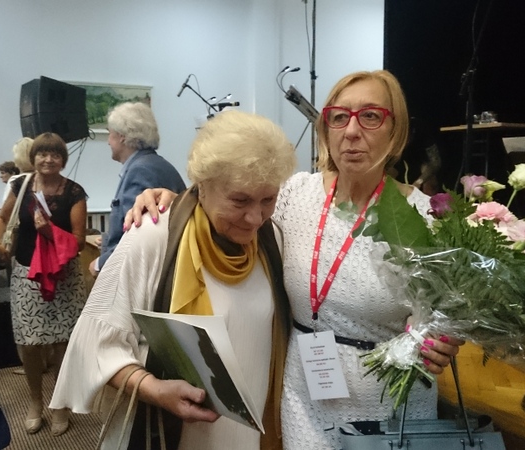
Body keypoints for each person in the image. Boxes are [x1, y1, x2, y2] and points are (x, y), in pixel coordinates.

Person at [124, 71, 464, 449]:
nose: (352, 131)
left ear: (395, 130)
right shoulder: (294, 194)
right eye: (339, 117)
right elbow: (232, 194)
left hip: (390, 403)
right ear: (326, 129)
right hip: (305, 395)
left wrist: (444, 338)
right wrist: (176, 201)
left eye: (370, 116)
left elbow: (447, 313)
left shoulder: (427, 218)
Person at [50, 110, 296, 450]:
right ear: (203, 185)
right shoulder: (154, 236)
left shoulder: (272, 240)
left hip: (252, 432)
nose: (255, 217)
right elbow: (94, 344)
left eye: (268, 199)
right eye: (240, 200)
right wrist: (155, 390)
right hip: (174, 433)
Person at [0, 132, 87, 436]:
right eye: (42, 153)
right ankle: (35, 401)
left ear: (63, 160)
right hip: (26, 271)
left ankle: (60, 404)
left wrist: (49, 232)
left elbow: (79, 241)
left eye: (55, 154)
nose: (48, 159)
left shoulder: (74, 192)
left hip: (63, 275)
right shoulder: (20, 185)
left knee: (61, 343)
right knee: (29, 343)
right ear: (33, 158)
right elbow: (1, 217)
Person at [89, 101, 185, 277]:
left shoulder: (141, 171)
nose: (108, 142)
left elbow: (134, 237)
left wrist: (99, 264)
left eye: (110, 134)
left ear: (122, 137)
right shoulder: (155, 164)